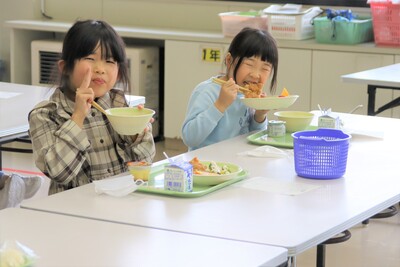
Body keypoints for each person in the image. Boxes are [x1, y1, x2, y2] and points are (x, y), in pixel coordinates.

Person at [28, 20, 155, 194]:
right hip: (74, 211)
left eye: (109, 61)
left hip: (120, 204)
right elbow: (58, 173)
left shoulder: (118, 104)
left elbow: (145, 162)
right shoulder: (45, 114)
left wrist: (137, 131)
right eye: (90, 58)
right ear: (65, 67)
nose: (100, 69)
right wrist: (78, 116)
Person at [181, 27, 279, 151]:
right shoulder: (207, 91)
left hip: (237, 163)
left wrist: (259, 116)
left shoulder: (248, 96)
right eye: (249, 64)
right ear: (229, 60)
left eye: (265, 68)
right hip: (206, 165)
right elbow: (190, 138)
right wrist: (220, 105)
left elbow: (255, 139)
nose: (255, 74)